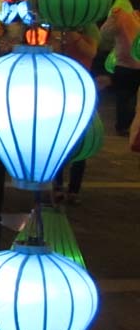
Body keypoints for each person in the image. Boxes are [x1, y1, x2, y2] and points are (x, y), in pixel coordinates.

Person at [53, 24, 100, 204]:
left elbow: (91, 52)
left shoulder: (89, 28)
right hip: (59, 88)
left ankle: (74, 189)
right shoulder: (56, 25)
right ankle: (57, 185)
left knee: (82, 141)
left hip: (81, 88)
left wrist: (73, 35)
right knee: (58, 139)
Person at [100, 0, 140, 135]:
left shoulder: (119, 15)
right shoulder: (134, 16)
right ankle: (132, 126)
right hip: (134, 64)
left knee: (124, 97)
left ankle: (123, 126)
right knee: (133, 98)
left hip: (124, 64)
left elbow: (105, 33)